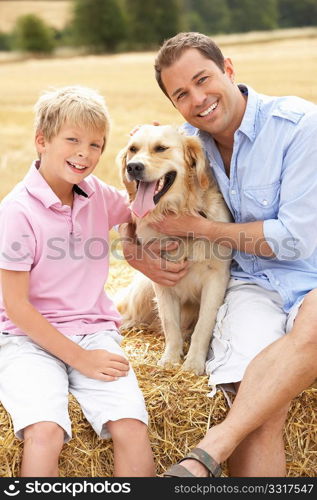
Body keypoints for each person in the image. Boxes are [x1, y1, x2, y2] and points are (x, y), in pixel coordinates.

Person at [120, 32, 317, 477]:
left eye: (203, 79)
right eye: (182, 94)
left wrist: (201, 228)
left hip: (310, 275)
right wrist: (133, 249)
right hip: (248, 284)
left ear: (228, 69)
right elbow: (133, 199)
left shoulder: (301, 125)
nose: (198, 99)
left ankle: (207, 452)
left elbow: (295, 241)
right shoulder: (185, 145)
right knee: (250, 394)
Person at [0, 85, 155, 477]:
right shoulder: (16, 213)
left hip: (93, 331)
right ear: (42, 141)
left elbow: (142, 208)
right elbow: (17, 308)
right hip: (25, 340)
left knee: (132, 426)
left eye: (96, 145)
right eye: (72, 140)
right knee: (46, 430)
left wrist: (147, 146)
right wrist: (79, 359)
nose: (85, 153)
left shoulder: (97, 195)